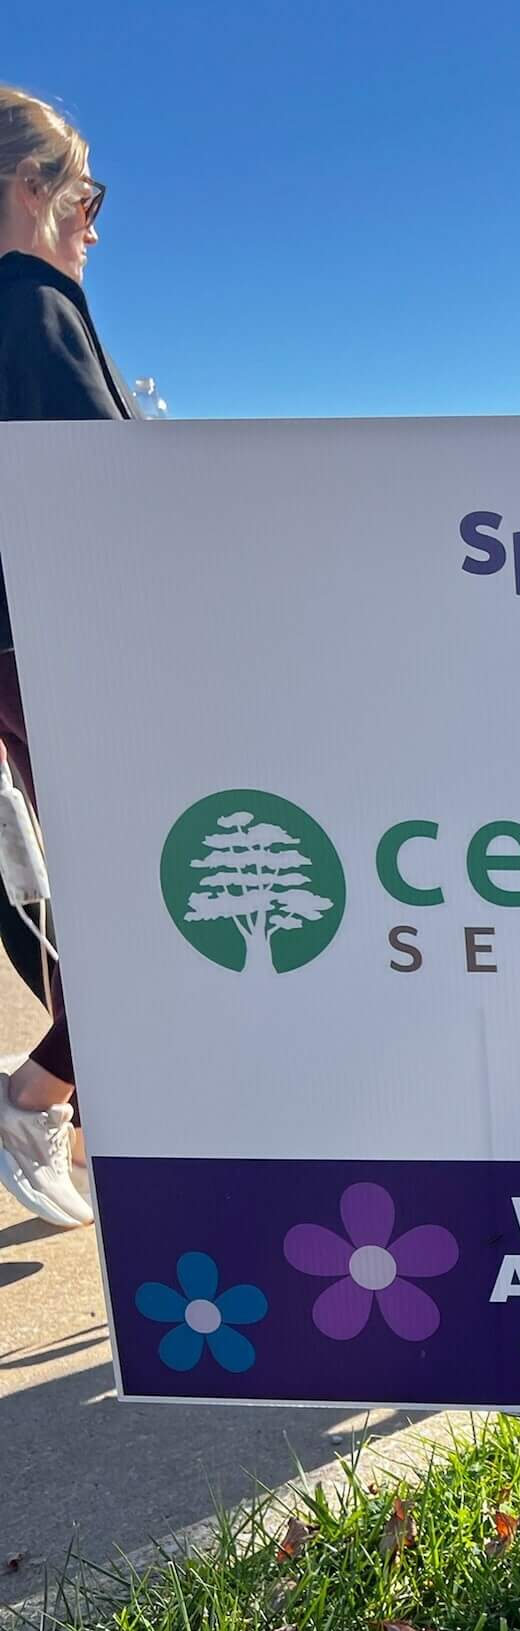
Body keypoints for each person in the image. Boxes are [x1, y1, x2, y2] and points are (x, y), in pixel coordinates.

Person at [0, 84, 135, 1228]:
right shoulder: (36, 301)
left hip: (20, 654)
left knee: (101, 895)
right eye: (85, 195)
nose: (93, 224)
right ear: (28, 190)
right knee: (154, 892)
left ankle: (81, 1114)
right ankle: (43, 1093)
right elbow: (109, 498)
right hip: (65, 649)